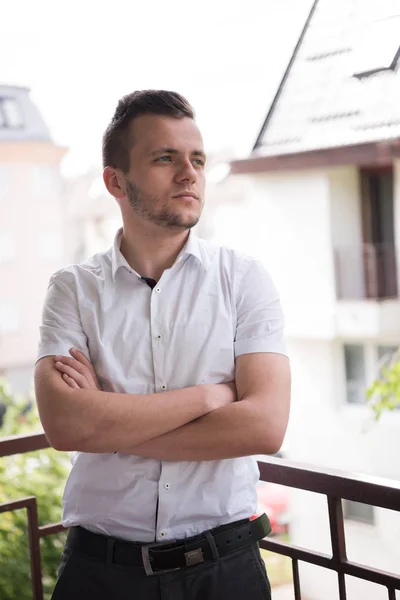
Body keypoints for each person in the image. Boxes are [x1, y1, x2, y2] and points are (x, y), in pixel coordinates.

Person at [34, 90, 291, 600]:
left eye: (196, 158)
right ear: (115, 181)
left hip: (227, 571)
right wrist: (208, 398)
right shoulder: (73, 289)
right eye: (164, 158)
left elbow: (264, 424)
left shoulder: (244, 280)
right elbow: (65, 425)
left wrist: (105, 423)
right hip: (100, 575)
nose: (189, 173)